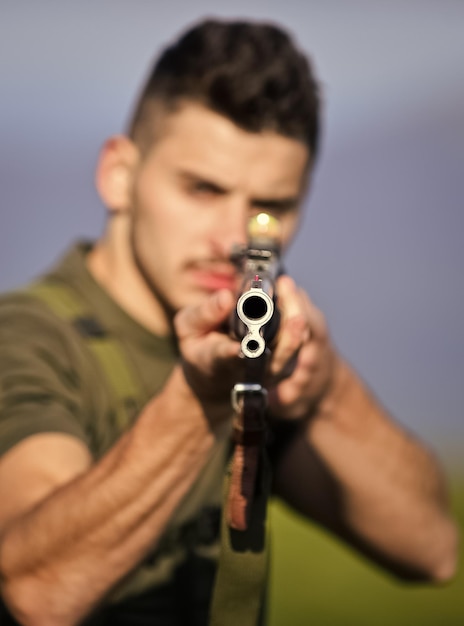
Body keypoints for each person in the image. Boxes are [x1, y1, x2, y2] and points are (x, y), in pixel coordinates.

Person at [0, 18, 458, 626]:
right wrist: (202, 399)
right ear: (120, 176)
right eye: (202, 189)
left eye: (269, 208)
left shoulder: (258, 356)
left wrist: (324, 391)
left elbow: (431, 549)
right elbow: (38, 588)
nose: (233, 239)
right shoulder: (29, 339)